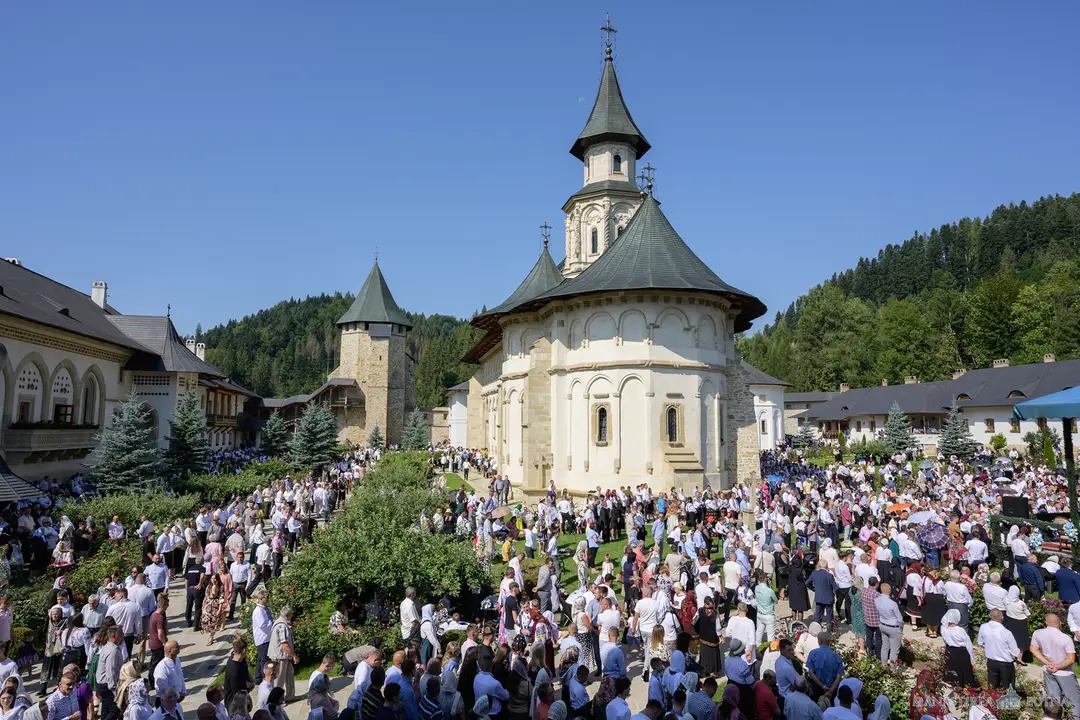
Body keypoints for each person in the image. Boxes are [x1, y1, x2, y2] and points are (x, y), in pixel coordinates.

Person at [1029, 612, 1080, 719]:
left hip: (1048, 670)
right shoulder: (1065, 638)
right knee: (1073, 699)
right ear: (1060, 623)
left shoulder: (1037, 633)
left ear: (1046, 622)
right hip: (1065, 673)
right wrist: (1057, 666)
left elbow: (1033, 649)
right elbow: (1070, 660)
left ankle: (1052, 717)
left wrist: (1047, 662)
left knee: (1052, 698)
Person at [978, 609, 1021, 690]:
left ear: (990, 616)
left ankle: (992, 701)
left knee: (992, 686)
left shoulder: (983, 627)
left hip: (991, 661)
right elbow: (1015, 651)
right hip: (1005, 663)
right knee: (1008, 688)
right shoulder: (1006, 632)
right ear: (1002, 618)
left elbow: (980, 643)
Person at [268, 607, 298, 702]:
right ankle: (275, 700)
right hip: (280, 657)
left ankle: (290, 696)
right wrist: (294, 655)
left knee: (290, 674)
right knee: (279, 680)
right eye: (291, 615)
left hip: (284, 656)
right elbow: (284, 645)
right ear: (286, 615)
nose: (292, 616)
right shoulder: (282, 626)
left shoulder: (279, 623)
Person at [941, 610, 975, 688]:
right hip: (961, 653)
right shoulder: (960, 630)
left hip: (949, 650)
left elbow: (945, 640)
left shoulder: (943, 628)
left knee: (950, 667)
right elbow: (968, 644)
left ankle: (951, 682)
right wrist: (971, 656)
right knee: (963, 671)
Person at [805, 633, 843, 702]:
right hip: (832, 691)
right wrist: (831, 690)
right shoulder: (836, 656)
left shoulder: (813, 653)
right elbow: (839, 676)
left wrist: (823, 686)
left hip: (817, 688)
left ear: (820, 641)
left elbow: (811, 672)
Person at [874, 583, 903, 663]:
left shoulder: (877, 600)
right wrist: (901, 627)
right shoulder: (892, 603)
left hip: (883, 625)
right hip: (893, 627)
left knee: (885, 646)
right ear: (889, 591)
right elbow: (899, 618)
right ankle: (892, 670)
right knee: (894, 650)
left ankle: (883, 665)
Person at [224, 637, 254, 707]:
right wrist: (246, 685)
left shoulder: (241, 659)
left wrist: (251, 681)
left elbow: (245, 671)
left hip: (243, 695)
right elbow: (236, 691)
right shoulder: (234, 669)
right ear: (243, 651)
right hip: (234, 703)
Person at [201, 574, 228, 643]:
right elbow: (206, 596)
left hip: (215, 604)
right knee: (206, 620)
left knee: (214, 622)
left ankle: (211, 637)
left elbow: (221, 598)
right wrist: (203, 606)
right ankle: (209, 632)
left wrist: (220, 609)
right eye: (212, 578)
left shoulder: (220, 587)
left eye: (215, 578)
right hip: (207, 604)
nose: (213, 580)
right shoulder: (209, 586)